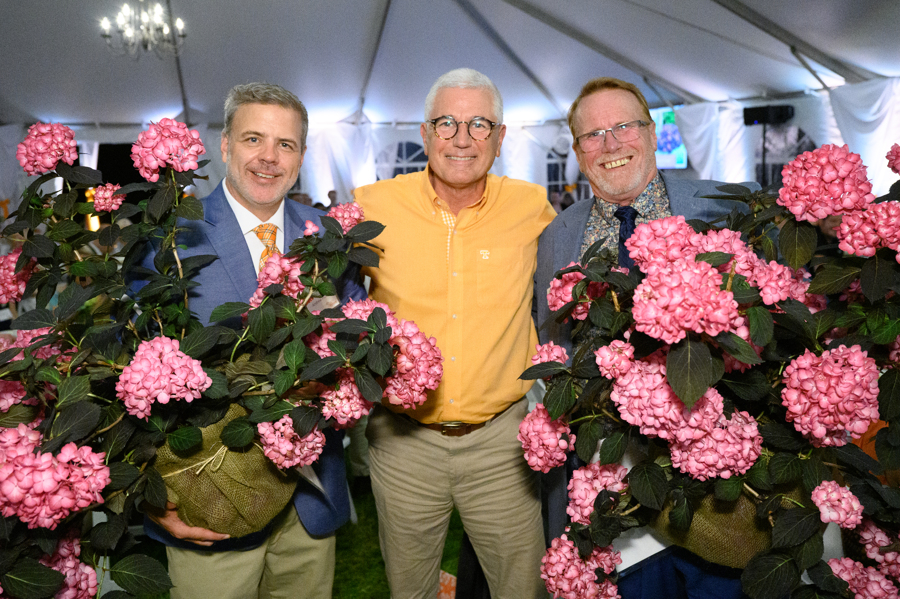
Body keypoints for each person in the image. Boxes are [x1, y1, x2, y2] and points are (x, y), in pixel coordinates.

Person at [535, 77, 760, 599]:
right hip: (615, 481)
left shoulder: (721, 208)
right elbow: (555, 350)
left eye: (623, 127)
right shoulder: (556, 239)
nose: (610, 145)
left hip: (715, 483)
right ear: (576, 150)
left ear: (651, 132)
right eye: (592, 135)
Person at [139, 82, 363, 599]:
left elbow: (353, 347)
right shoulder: (170, 240)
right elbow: (132, 370)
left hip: (310, 502)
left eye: (285, 144)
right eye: (252, 139)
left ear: (302, 156)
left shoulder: (330, 239)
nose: (269, 157)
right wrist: (152, 490)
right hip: (206, 501)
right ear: (224, 146)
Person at [353, 68, 557, 599]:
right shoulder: (371, 206)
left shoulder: (532, 208)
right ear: (424, 132)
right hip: (403, 445)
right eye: (446, 122)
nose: (462, 138)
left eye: (479, 124)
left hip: (502, 445)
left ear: (501, 137)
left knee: (523, 589)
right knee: (410, 589)